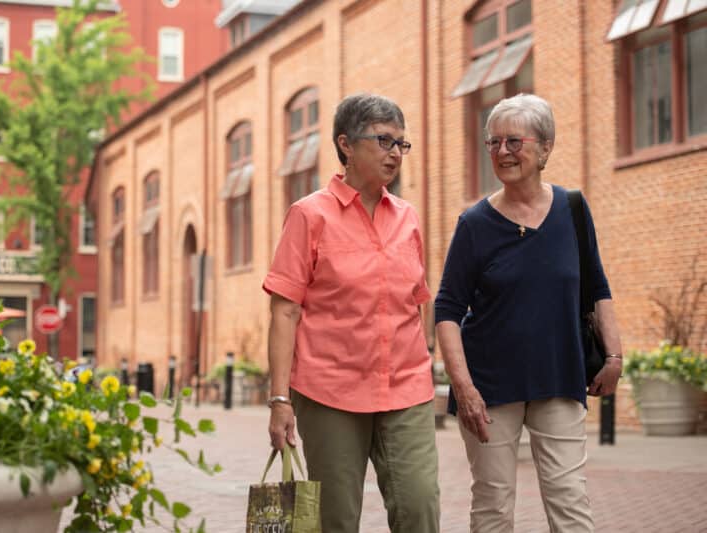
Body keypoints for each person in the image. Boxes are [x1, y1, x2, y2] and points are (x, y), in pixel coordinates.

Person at [434, 93, 623, 532]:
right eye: (493, 142)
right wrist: (462, 387)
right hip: (490, 386)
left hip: (559, 375)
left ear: (545, 148)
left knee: (570, 500)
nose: (503, 152)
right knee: (494, 505)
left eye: (514, 142)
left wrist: (613, 357)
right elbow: (446, 308)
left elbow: (597, 286)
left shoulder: (572, 209)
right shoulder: (474, 223)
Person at [263, 93, 440, 533]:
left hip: (405, 387)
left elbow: (417, 300)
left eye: (402, 144)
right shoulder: (308, 216)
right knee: (335, 519)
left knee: (419, 506)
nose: (396, 153)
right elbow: (285, 312)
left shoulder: (408, 218)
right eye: (384, 141)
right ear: (346, 144)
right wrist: (279, 399)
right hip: (330, 392)